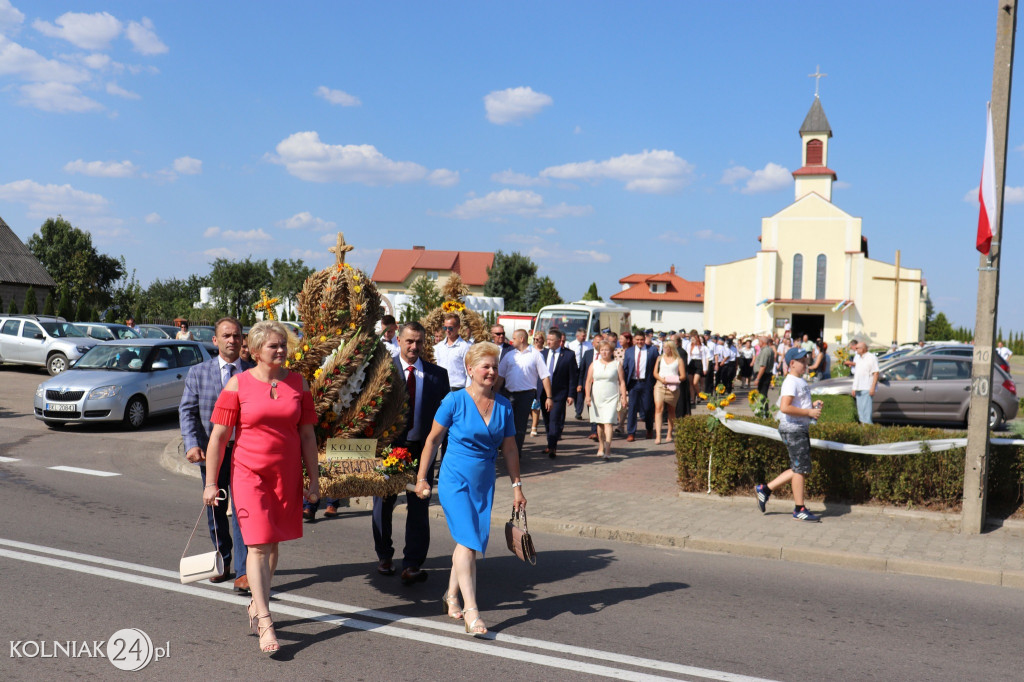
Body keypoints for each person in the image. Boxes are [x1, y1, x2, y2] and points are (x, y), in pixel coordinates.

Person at [202, 320, 320, 653]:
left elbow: (308, 435)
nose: (281, 350)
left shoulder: (299, 384)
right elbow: (219, 438)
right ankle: (266, 619)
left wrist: (313, 478)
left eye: (283, 344)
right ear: (255, 351)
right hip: (248, 475)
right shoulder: (237, 385)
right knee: (256, 545)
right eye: (273, 345)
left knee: (272, 544)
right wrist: (211, 482)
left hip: (286, 477)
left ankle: (257, 600)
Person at [413, 342, 525, 636]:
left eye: (495, 366)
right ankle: (472, 611)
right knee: (469, 542)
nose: (491, 372)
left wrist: (517, 487)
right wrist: (423, 477)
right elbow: (432, 441)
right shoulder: (454, 401)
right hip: (455, 478)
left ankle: (450, 596)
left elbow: (511, 449)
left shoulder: (504, 405)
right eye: (485, 366)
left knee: (469, 541)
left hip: (484, 480)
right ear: (470, 369)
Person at [179, 317, 253, 595]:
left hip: (246, 453)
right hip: (213, 452)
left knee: (244, 511)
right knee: (216, 509)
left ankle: (245, 572)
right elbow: (186, 411)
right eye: (226, 336)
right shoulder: (198, 373)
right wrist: (191, 443)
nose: (232, 340)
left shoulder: (254, 373)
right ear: (215, 340)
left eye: (236, 336)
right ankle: (222, 560)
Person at [373, 321, 450, 584]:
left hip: (423, 450)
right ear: (399, 341)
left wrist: (448, 453)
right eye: (409, 341)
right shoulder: (383, 371)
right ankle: (384, 555)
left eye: (418, 341)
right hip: (389, 449)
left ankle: (412, 563)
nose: (414, 346)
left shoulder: (438, 376)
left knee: (419, 503)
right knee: (384, 502)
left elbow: (446, 419)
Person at [755, 347, 823, 523]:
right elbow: (785, 407)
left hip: (797, 428)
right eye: (802, 361)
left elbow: (797, 403)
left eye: (806, 360)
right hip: (793, 429)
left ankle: (765, 489)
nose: (805, 363)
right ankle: (799, 509)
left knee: (797, 468)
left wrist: (812, 405)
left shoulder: (798, 380)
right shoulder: (791, 381)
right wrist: (808, 413)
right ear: (792, 363)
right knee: (800, 469)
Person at [495, 329, 552, 459]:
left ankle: (516, 453)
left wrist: (549, 397)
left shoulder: (536, 355)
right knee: (505, 423)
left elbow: (545, 377)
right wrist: (494, 393)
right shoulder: (509, 355)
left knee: (520, 426)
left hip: (526, 395)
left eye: (514, 338)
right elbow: (501, 376)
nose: (511, 341)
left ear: (521, 339)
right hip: (508, 394)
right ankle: (504, 449)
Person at [539, 329, 578, 458]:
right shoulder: (542, 354)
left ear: (558, 341)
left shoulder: (568, 355)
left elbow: (573, 376)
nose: (548, 342)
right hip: (543, 393)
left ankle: (552, 447)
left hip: (559, 393)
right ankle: (550, 443)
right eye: (547, 339)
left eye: (551, 340)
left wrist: (571, 394)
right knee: (546, 420)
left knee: (554, 420)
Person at [584, 340, 627, 458]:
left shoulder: (617, 364)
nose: (604, 352)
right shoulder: (594, 364)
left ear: (611, 351)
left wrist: (623, 397)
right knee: (600, 424)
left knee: (608, 422)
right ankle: (601, 446)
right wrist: (587, 396)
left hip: (612, 397)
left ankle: (608, 449)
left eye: (607, 350)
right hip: (597, 397)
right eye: (602, 350)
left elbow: (622, 382)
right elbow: (588, 381)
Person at [621, 332, 658, 442]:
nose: (639, 342)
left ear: (645, 339)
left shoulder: (652, 350)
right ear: (634, 340)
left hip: (647, 383)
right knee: (632, 408)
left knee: (647, 408)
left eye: (641, 339)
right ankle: (631, 433)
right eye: (637, 339)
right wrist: (623, 382)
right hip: (633, 383)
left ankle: (649, 428)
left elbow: (657, 366)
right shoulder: (629, 351)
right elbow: (626, 367)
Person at [652, 341, 682, 444]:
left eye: (667, 347)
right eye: (664, 347)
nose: (665, 349)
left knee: (671, 410)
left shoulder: (678, 360)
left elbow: (683, 376)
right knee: (658, 408)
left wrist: (671, 379)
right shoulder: (660, 358)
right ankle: (658, 435)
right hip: (660, 385)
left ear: (671, 348)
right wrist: (661, 379)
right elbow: (655, 373)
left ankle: (669, 432)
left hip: (673, 387)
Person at [434, 313, 471, 391]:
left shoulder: (464, 347)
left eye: (450, 328)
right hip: (440, 387)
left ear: (458, 327)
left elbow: (469, 372)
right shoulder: (439, 347)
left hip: (458, 388)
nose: (447, 331)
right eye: (445, 328)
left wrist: (467, 392)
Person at [576, 334, 602, 441]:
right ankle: (594, 430)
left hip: (601, 386)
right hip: (589, 385)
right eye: (597, 342)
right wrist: (579, 384)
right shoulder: (588, 354)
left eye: (601, 342)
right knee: (591, 408)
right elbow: (582, 370)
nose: (599, 344)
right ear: (593, 343)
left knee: (599, 408)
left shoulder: (606, 355)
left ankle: (599, 430)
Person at [566, 328, 592, 418]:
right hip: (575, 369)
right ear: (577, 336)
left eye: (585, 336)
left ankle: (582, 411)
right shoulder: (571, 345)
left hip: (586, 369)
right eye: (582, 336)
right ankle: (578, 411)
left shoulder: (589, 345)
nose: (584, 337)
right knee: (577, 390)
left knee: (583, 389)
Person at [851, 341, 879, 424]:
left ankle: (868, 432)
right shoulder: (859, 358)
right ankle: (863, 430)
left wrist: (872, 387)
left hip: (867, 388)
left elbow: (876, 373)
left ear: (863, 349)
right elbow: (857, 374)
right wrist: (854, 388)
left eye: (857, 348)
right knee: (861, 413)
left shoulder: (871, 357)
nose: (855, 350)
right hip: (859, 388)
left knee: (866, 413)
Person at [687, 333, 708, 405]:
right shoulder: (689, 346)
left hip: (698, 364)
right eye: (691, 339)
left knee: (695, 382)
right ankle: (692, 399)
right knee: (690, 383)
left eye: (694, 339)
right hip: (691, 363)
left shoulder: (701, 347)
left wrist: (705, 368)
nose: (692, 341)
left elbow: (704, 358)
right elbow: (688, 356)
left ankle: (699, 395)